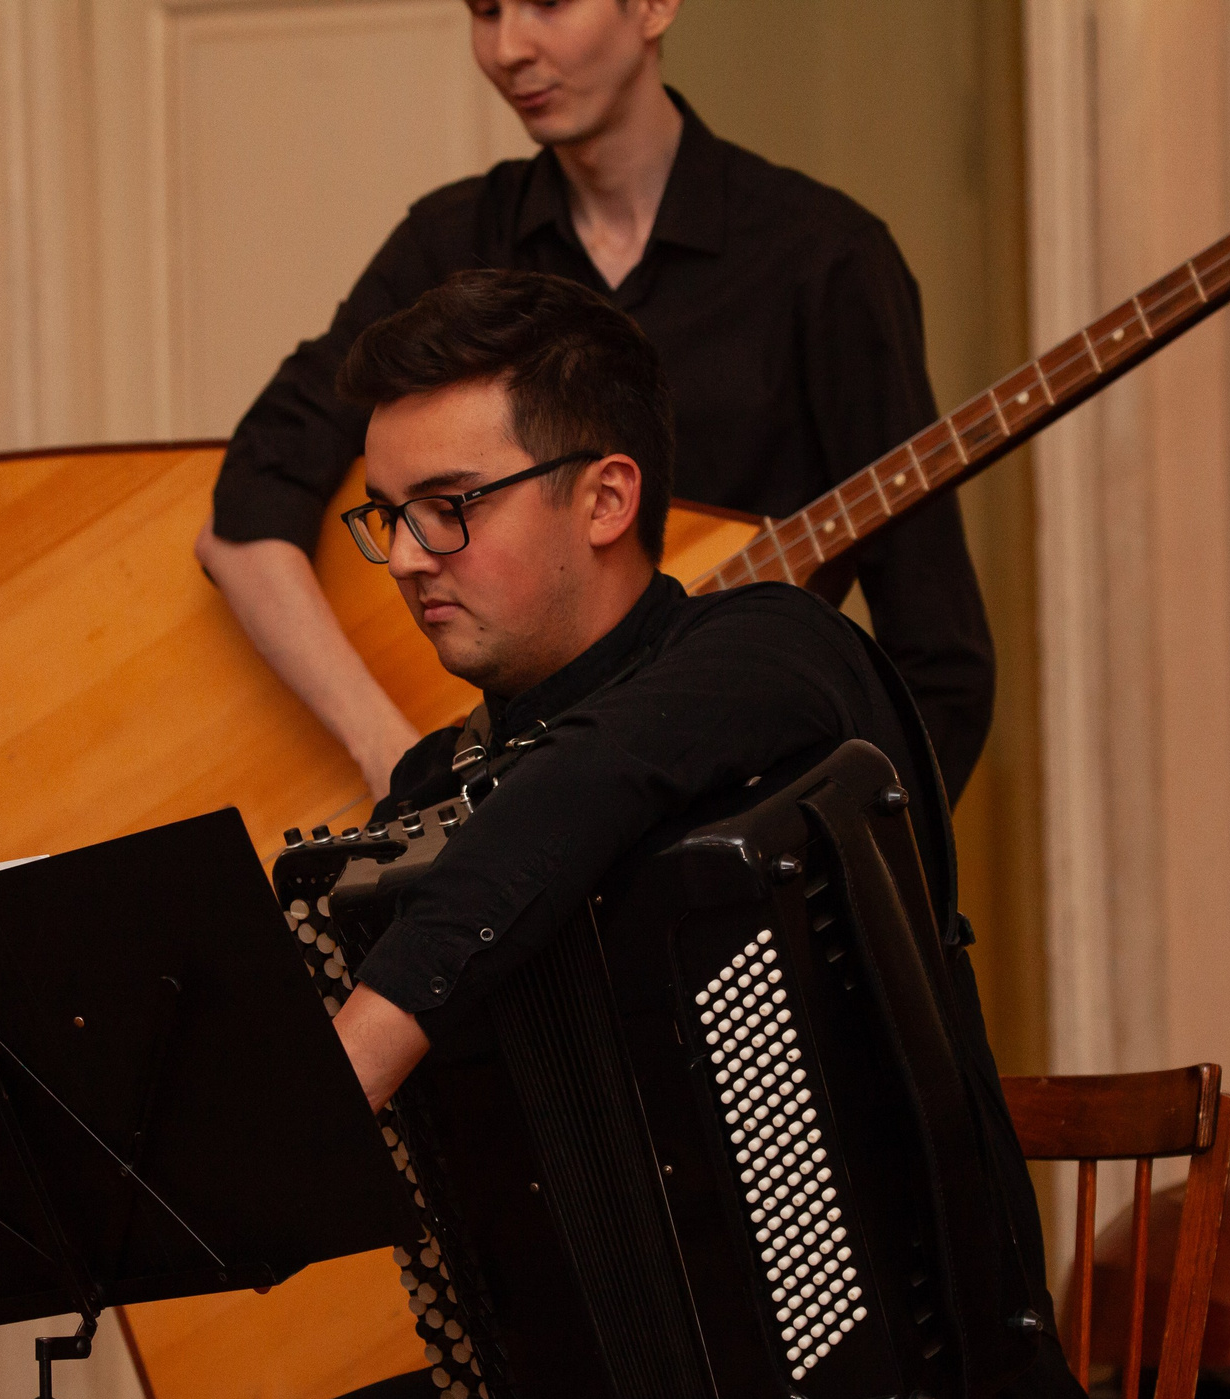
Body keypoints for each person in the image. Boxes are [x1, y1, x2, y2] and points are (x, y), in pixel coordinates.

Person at [0, 273, 1080, 1399]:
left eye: (452, 506)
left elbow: (596, 786)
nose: (410, 557)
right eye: (387, 517)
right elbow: (222, 1089)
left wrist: (364, 1042)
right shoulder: (441, 796)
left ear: (606, 495)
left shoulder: (777, 657)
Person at [200, 0, 998, 806]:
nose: (509, 48)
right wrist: (394, 758)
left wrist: (813, 856)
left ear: (653, 7)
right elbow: (244, 519)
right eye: (485, 11)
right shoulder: (450, 242)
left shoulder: (822, 261)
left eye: (548, 3)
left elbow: (939, 662)